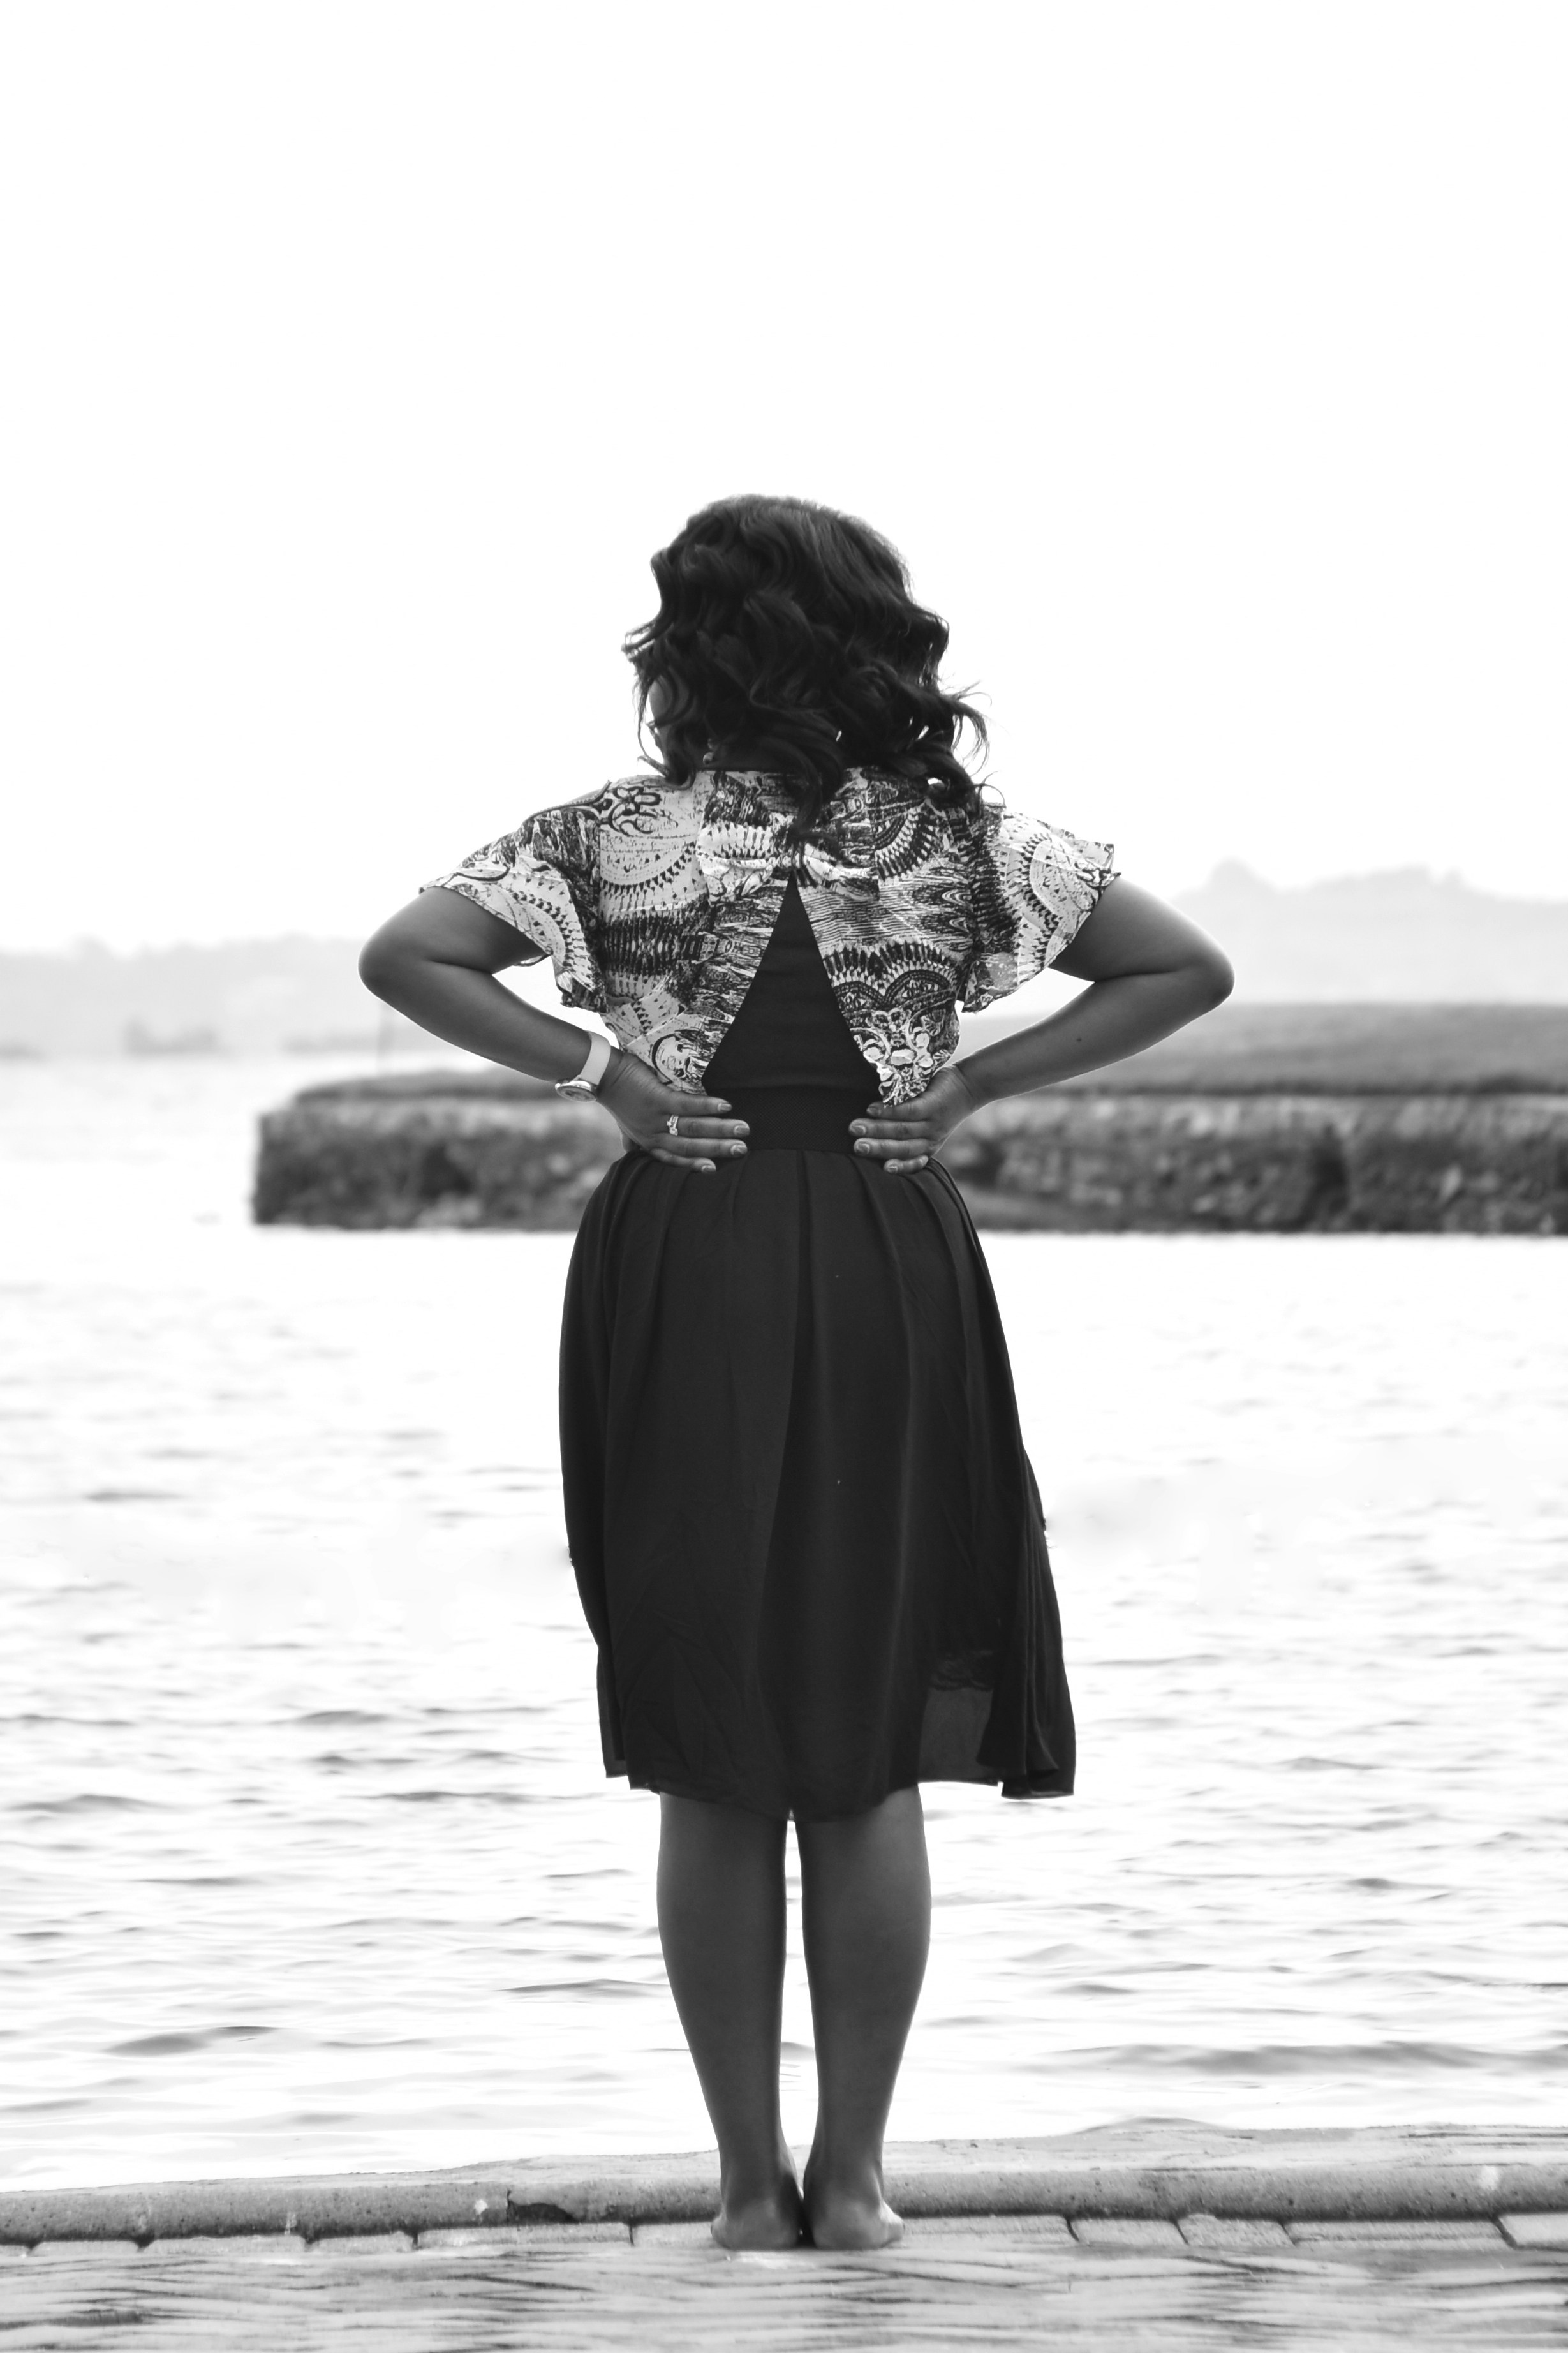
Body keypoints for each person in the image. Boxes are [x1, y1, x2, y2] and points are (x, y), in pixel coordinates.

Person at [359, 494, 1232, 2252]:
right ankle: (853, 2185)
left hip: (682, 1248)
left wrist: (594, 1066)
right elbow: (1183, 968)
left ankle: (746, 2195)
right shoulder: (959, 836)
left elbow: (408, 955)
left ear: (687, 639)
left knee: (707, 1741)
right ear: (867, 634)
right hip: (884, 1248)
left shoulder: (607, 836)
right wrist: (973, 1085)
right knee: (865, 1734)